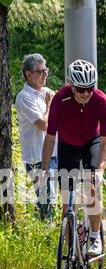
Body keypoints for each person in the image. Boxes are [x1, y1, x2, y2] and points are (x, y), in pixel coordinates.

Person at [41, 59, 106, 259]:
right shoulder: (60, 100)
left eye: (90, 88)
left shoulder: (102, 102)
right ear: (72, 86)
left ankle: (95, 237)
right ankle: (71, 252)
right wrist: (45, 168)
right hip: (67, 145)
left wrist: (100, 171)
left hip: (92, 142)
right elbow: (49, 138)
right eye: (81, 89)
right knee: (67, 204)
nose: (86, 94)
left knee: (92, 187)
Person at [15, 53, 56, 220]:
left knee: (53, 200)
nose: (44, 74)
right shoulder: (24, 97)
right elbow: (44, 125)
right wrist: (50, 106)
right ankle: (46, 238)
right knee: (47, 202)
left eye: (45, 70)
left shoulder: (45, 92)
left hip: (53, 154)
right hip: (37, 158)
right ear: (28, 74)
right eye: (40, 71)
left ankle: (52, 237)